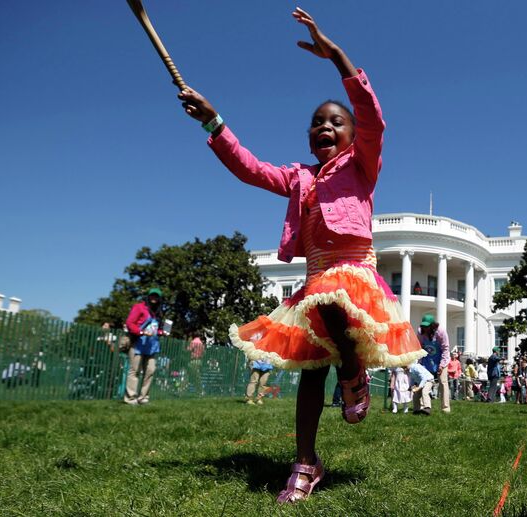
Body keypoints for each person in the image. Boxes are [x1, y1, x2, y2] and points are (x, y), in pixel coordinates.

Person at [178, 9, 424, 503]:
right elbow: (250, 169)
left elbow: (375, 118)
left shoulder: (362, 166)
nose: (325, 128)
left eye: (336, 122)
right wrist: (214, 121)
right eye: (317, 124)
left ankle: (352, 372)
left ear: (353, 138)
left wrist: (336, 56)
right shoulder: (298, 177)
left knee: (331, 299)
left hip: (354, 273)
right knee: (310, 373)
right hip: (316, 279)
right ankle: (306, 462)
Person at [124, 288, 165, 405]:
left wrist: (162, 333)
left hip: (152, 345)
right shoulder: (139, 307)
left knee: (151, 370)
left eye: (156, 296)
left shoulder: (158, 312)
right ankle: (131, 398)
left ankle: (143, 398)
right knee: (134, 370)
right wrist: (140, 332)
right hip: (138, 343)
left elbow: (156, 329)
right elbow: (130, 322)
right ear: (148, 296)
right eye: (152, 296)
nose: (154, 298)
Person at [417, 314, 451, 413]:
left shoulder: (441, 332)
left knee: (443, 382)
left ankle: (445, 408)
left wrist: (442, 365)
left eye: (427, 326)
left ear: (433, 326)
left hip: (441, 358)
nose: (425, 328)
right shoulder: (420, 331)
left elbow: (445, 349)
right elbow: (419, 347)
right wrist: (419, 362)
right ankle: (423, 406)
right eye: (424, 326)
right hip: (427, 359)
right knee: (423, 381)